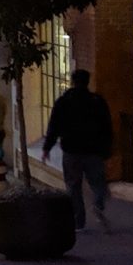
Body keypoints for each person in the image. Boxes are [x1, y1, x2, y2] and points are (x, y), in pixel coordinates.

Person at [42, 66, 115, 232]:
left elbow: (54, 127)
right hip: (94, 150)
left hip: (71, 150)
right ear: (88, 82)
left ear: (72, 82)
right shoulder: (97, 101)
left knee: (73, 187)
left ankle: (79, 221)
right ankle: (98, 204)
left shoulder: (63, 102)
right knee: (98, 183)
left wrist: (47, 148)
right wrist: (107, 149)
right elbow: (107, 127)